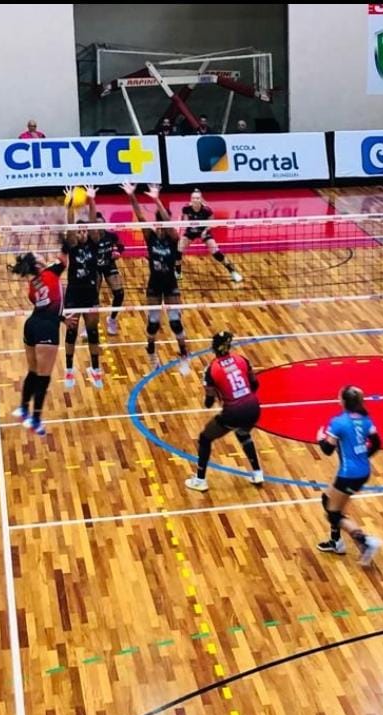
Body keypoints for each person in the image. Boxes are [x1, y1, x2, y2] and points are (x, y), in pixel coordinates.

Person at [121, 181, 191, 373]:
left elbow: (168, 223)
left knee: (175, 322)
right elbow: (139, 215)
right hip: (154, 283)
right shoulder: (150, 236)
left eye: (163, 225)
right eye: (158, 224)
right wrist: (131, 195)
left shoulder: (173, 238)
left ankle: (184, 354)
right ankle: (151, 351)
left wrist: (156, 200)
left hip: (170, 283)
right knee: (153, 323)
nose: (160, 228)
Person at [185, 331, 264, 492]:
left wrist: (219, 396)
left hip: (233, 412)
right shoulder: (242, 359)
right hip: (253, 408)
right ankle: (257, 473)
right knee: (243, 433)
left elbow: (209, 402)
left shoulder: (211, 369)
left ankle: (200, 480)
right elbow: (255, 384)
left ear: (214, 348)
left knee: (205, 438)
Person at [315, 385, 383, 566]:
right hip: (362, 471)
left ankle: (366, 541)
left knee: (333, 514)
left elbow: (327, 449)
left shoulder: (339, 422)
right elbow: (377, 443)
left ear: (343, 401)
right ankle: (337, 542)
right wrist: (363, 457)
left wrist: (320, 438)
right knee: (327, 499)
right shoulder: (365, 419)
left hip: (348, 474)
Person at [9, 252, 64, 436]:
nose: (42, 255)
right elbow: (65, 258)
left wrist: (62, 318)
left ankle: (23, 408)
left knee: (33, 371)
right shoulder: (52, 272)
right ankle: (36, 420)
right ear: (38, 264)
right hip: (47, 330)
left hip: (31, 325)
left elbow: (43, 305)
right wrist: (66, 241)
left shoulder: (34, 285)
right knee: (43, 377)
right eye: (39, 256)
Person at [59, 187, 104, 389]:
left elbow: (93, 222)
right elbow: (69, 227)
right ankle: (69, 370)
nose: (83, 232)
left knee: (93, 332)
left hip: (91, 294)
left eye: (84, 230)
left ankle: (95, 369)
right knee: (71, 333)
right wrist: (69, 205)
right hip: (74, 295)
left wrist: (91, 200)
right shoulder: (73, 245)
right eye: (80, 231)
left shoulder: (93, 243)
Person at [179, 190, 243, 282]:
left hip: (204, 231)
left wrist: (205, 231)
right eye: (193, 198)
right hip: (191, 231)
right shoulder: (186, 208)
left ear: (201, 199)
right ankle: (177, 271)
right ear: (191, 199)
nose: (195, 200)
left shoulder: (207, 210)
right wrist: (186, 226)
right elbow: (185, 221)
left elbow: (211, 223)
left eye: (197, 198)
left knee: (215, 251)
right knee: (179, 248)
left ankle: (233, 272)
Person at [85, 191, 126, 336]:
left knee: (119, 293)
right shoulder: (91, 237)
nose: (99, 226)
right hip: (94, 267)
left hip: (108, 264)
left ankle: (112, 319)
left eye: (101, 224)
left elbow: (121, 246)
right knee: (92, 296)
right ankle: (89, 325)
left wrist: (118, 253)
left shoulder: (111, 236)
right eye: (96, 225)